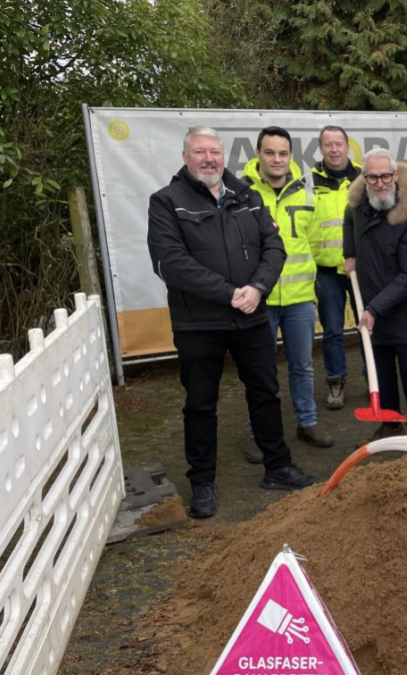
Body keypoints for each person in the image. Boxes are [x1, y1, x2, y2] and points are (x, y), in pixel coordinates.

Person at [147, 126, 318, 519]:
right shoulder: (166, 202)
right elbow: (171, 264)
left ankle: (278, 467)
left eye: (215, 152)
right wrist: (229, 292)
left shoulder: (246, 195)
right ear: (186, 156)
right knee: (201, 404)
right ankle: (202, 482)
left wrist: (258, 287)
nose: (208, 159)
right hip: (199, 323)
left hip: (251, 315)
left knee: (265, 393)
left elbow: (274, 247)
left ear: (224, 156)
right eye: (199, 152)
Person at [242, 127, 334, 454]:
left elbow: (316, 244)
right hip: (259, 300)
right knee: (259, 370)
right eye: (270, 152)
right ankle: (258, 433)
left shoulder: (308, 197)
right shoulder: (242, 196)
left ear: (291, 156)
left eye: (283, 153)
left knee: (303, 366)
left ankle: (307, 422)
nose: (277, 159)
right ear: (258, 154)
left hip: (299, 301)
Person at [342, 147, 407, 440]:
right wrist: (349, 253)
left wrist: (375, 309)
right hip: (370, 305)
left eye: (385, 176)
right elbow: (348, 222)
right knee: (380, 371)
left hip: (400, 310)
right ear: (364, 179)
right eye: (373, 177)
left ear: (395, 176)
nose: (380, 183)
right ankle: (391, 425)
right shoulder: (358, 208)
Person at [310, 125, 365, 411]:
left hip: (360, 269)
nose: (334, 149)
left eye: (339, 144)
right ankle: (336, 381)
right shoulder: (309, 180)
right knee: (332, 330)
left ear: (347, 146)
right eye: (328, 144)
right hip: (326, 271)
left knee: (368, 327)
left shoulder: (363, 179)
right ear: (321, 148)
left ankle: (374, 379)